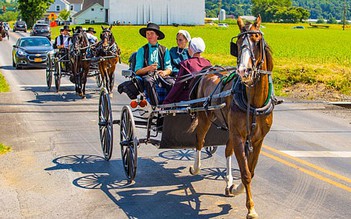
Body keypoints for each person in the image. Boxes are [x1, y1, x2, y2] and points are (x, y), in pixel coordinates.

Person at [163, 37, 212, 104]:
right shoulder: (207, 62)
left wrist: (167, 101)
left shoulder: (187, 64)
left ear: (191, 49)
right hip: (205, 96)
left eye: (189, 47)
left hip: (191, 96)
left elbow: (178, 85)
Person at [135, 23, 173, 106]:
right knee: (148, 81)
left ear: (157, 36)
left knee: (172, 83)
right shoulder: (141, 50)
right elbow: (137, 71)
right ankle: (155, 106)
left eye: (151, 33)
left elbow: (169, 68)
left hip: (161, 75)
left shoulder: (164, 50)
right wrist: (148, 68)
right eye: (147, 34)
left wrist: (164, 72)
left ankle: (170, 105)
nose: (149, 36)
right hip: (148, 75)